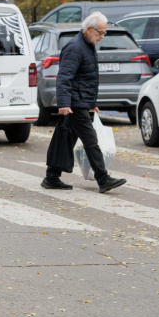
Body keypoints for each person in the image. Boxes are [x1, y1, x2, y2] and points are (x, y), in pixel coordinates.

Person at [43, 11, 127, 193]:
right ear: (89, 29)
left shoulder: (87, 45)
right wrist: (64, 104)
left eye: (104, 33)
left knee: (65, 139)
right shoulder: (75, 47)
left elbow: (85, 78)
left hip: (81, 102)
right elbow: (64, 77)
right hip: (74, 103)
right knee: (91, 140)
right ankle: (103, 179)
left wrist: (90, 103)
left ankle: (51, 177)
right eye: (100, 33)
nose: (102, 37)